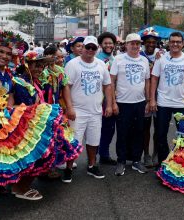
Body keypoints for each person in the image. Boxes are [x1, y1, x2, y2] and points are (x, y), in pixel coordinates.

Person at [0, 29, 81, 214]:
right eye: (1, 51)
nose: (4, 56)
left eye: (9, 53)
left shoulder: (7, 77)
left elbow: (8, 103)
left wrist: (28, 111)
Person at [64, 36, 113, 181]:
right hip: (77, 111)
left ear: (97, 49)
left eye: (93, 48)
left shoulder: (101, 64)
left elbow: (107, 85)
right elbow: (67, 87)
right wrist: (69, 107)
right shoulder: (72, 64)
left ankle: (92, 166)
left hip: (96, 110)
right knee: (73, 142)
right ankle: (68, 168)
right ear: (82, 48)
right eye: (87, 47)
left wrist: (109, 105)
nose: (90, 50)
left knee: (94, 141)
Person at [150, 32, 184, 166]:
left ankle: (182, 161)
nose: (175, 44)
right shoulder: (161, 58)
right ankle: (164, 162)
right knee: (160, 134)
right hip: (163, 102)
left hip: (181, 104)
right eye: (172, 41)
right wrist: (152, 99)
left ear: (182, 44)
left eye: (178, 41)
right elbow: (154, 79)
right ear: (168, 43)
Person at [111, 33, 150, 176]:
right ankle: (121, 161)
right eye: (132, 43)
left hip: (139, 103)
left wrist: (148, 100)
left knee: (138, 132)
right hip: (122, 103)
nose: (135, 46)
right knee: (122, 133)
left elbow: (147, 81)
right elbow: (111, 81)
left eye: (138, 44)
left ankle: (136, 161)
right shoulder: (118, 59)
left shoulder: (144, 60)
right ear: (126, 45)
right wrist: (113, 102)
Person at [140, 28, 161, 167]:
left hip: (160, 96)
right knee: (145, 128)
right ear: (144, 42)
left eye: (153, 42)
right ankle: (146, 154)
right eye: (148, 42)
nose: (151, 44)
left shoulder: (163, 55)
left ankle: (156, 154)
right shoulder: (139, 55)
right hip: (144, 96)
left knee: (159, 128)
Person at [96, 32, 118, 165]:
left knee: (109, 129)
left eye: (111, 43)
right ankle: (92, 157)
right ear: (101, 45)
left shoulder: (116, 59)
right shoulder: (97, 59)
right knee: (95, 129)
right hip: (98, 100)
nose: (108, 45)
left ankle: (104, 154)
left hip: (113, 99)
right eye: (106, 43)